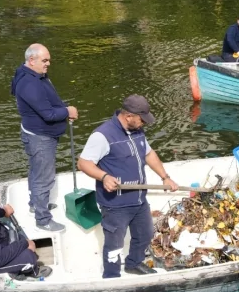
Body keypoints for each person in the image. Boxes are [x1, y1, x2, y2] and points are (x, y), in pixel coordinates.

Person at [77, 95, 179, 279]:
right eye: (142, 119)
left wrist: (165, 177)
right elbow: (83, 163)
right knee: (114, 245)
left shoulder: (137, 131)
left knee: (145, 234)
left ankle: (133, 263)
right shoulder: (102, 136)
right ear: (129, 116)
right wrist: (104, 176)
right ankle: (111, 276)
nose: (144, 123)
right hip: (115, 204)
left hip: (138, 199)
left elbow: (149, 154)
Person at [10, 43, 79, 232]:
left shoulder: (31, 74)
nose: (48, 63)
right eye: (45, 60)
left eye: (48, 60)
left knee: (36, 170)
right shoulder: (29, 83)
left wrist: (63, 108)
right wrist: (67, 111)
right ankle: (43, 219)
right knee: (44, 177)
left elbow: (46, 103)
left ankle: (35, 204)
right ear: (31, 60)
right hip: (40, 138)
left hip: (35, 132)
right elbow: (47, 114)